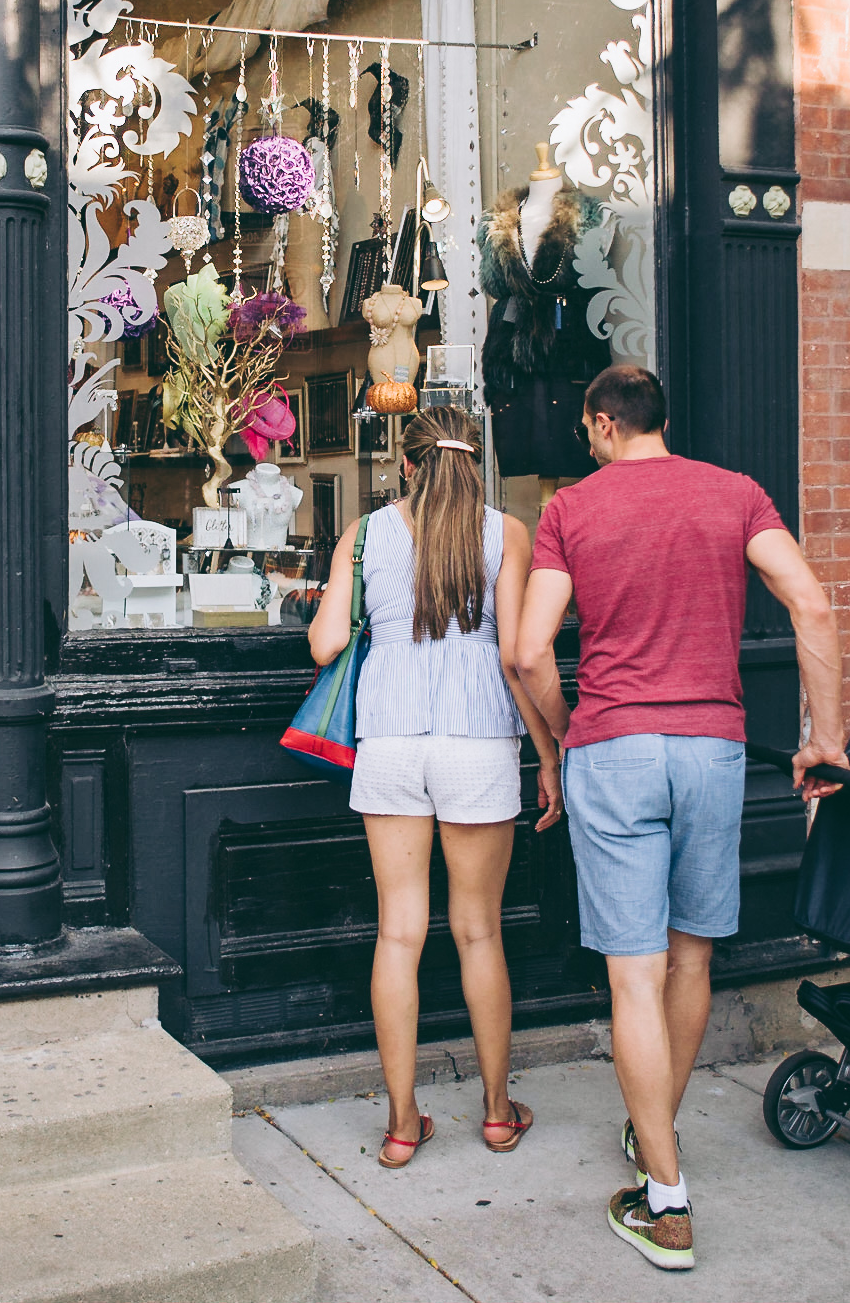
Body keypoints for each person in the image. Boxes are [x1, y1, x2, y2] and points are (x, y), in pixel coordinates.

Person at [513, 364, 847, 1271]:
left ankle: (664, 1201)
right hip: (713, 749)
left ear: (602, 421)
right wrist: (826, 739)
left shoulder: (571, 510)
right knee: (692, 955)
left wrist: (561, 737)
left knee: (633, 976)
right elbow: (812, 602)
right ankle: (653, 1129)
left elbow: (529, 648)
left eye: (588, 429)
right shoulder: (735, 493)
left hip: (614, 749)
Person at [309, 407, 562, 1169]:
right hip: (479, 741)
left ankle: (400, 1123)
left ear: (407, 465)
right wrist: (550, 753)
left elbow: (324, 642)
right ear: (473, 462)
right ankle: (494, 1111)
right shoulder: (506, 534)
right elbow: (520, 656)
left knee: (399, 933)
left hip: (389, 741)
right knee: (479, 930)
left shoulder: (364, 535)